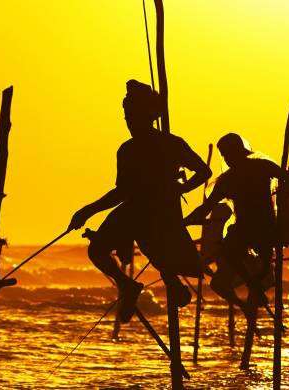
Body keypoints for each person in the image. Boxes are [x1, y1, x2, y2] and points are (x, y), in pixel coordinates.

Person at [69, 79, 211, 323]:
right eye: (126, 117)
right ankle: (127, 285)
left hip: (161, 213)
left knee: (159, 250)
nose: (129, 122)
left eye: (133, 116)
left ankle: (173, 285)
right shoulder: (127, 150)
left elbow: (203, 172)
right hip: (134, 211)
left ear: (149, 116)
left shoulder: (171, 143)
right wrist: (87, 211)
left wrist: (179, 190)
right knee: (97, 250)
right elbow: (122, 192)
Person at [184, 133, 289, 312]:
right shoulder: (239, 175)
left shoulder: (253, 169)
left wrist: (285, 183)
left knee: (235, 252)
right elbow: (205, 208)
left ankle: (254, 282)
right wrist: (187, 220)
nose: (227, 159)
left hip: (259, 229)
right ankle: (254, 283)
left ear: (239, 151)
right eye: (224, 155)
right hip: (256, 229)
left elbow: (205, 208)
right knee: (233, 251)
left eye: (228, 154)